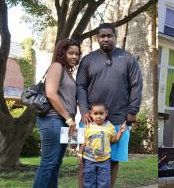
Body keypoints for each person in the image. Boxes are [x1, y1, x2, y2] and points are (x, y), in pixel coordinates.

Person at [76, 23, 143, 187]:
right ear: (97, 38)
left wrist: (132, 110)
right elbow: (80, 86)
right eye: (102, 36)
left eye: (109, 36)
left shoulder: (128, 59)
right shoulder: (88, 60)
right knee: (84, 159)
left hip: (119, 119)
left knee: (113, 160)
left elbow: (136, 85)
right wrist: (84, 110)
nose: (106, 39)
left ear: (115, 36)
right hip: (90, 120)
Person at [33, 38, 81, 188]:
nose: (74, 56)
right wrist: (68, 118)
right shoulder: (56, 66)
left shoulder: (67, 72)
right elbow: (51, 94)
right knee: (48, 163)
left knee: (56, 163)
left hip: (65, 121)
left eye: (77, 54)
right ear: (62, 53)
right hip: (53, 119)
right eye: (70, 53)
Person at [78, 102, 126, 188]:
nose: (98, 116)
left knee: (104, 183)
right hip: (89, 160)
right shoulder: (88, 126)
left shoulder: (110, 127)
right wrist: (80, 154)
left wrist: (120, 132)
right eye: (95, 114)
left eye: (101, 113)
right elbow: (84, 142)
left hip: (104, 161)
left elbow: (114, 140)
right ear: (91, 114)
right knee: (88, 183)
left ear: (106, 113)